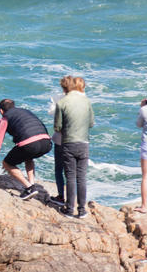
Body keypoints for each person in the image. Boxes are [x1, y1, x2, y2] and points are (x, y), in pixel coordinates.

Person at [0, 99, 52, 200]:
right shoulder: (26, 111)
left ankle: (29, 187)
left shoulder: (5, 118)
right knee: (28, 157)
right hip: (46, 142)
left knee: (7, 163)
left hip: (30, 144)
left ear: (1, 111)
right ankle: (32, 183)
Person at [55, 75, 93, 218]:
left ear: (64, 88)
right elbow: (91, 123)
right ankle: (82, 210)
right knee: (81, 177)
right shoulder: (86, 101)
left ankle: (70, 209)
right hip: (84, 143)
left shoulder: (62, 102)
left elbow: (57, 127)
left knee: (70, 177)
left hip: (68, 143)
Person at [47, 77, 75, 207]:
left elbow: (56, 125)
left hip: (61, 140)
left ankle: (61, 196)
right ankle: (72, 201)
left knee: (59, 169)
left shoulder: (60, 101)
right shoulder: (81, 101)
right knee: (71, 172)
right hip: (76, 140)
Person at [137, 86, 147, 213]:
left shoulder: (145, 109)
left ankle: (144, 206)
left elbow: (138, 125)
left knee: (146, 176)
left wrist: (142, 107)